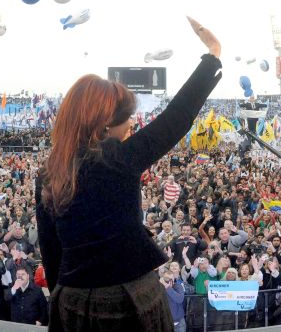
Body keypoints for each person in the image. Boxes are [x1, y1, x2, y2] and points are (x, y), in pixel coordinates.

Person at [36, 17, 222, 332]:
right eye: (128, 120)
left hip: (71, 301)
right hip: (129, 299)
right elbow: (177, 116)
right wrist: (213, 54)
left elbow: (50, 249)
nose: (132, 127)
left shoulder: (49, 171)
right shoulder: (119, 158)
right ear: (106, 125)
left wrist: (63, 299)